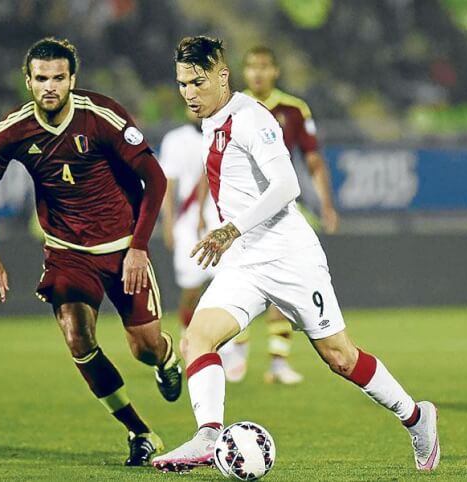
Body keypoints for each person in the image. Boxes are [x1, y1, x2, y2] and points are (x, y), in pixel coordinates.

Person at [152, 35, 439, 473]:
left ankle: (417, 418)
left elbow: (288, 186)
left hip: (288, 255)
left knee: (339, 357)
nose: (189, 93)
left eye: (198, 82)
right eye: (182, 83)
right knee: (196, 339)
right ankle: (208, 437)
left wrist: (230, 227)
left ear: (222, 77)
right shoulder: (212, 119)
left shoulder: (252, 118)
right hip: (244, 259)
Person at [0, 37, 181, 466]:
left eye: (59, 78)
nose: (50, 86)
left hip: (123, 249)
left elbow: (155, 180)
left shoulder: (101, 116)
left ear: (72, 80)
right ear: (27, 81)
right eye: (41, 78)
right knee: (77, 338)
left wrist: (140, 247)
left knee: (143, 346)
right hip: (67, 251)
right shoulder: (12, 130)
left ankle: (166, 356)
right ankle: (139, 432)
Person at [213, 45, 343, 385]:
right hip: (239, 212)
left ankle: (277, 362)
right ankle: (237, 349)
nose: (257, 73)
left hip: (278, 209)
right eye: (251, 66)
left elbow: (313, 160)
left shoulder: (294, 110)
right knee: (236, 279)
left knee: (283, 285)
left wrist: (327, 204)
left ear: (275, 72)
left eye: (264, 66)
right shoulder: (231, 108)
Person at [158, 110, 221, 357]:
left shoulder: (224, 135)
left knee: (226, 283)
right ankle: (188, 336)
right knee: (191, 288)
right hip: (188, 223)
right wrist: (168, 223)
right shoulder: (175, 140)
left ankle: (223, 344)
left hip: (221, 221)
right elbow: (168, 184)